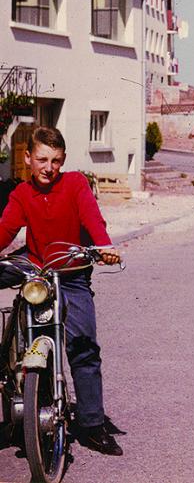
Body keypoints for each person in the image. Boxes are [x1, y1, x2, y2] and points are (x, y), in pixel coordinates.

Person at [0, 126, 123, 456]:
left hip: (71, 274)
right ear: (28, 158)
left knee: (83, 349)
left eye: (55, 161)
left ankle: (92, 425)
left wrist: (104, 246)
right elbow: (7, 228)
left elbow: (92, 217)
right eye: (41, 159)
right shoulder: (21, 193)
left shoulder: (74, 184)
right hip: (37, 270)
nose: (47, 168)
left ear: (63, 160)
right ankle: (11, 378)